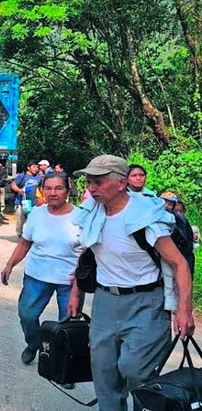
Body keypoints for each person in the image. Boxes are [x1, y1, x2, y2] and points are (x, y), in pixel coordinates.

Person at [68, 155, 194, 411]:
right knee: (103, 373)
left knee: (134, 369)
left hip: (145, 303)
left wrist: (183, 310)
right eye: (90, 182)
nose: (91, 188)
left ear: (121, 183)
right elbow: (87, 257)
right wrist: (75, 293)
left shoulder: (144, 217)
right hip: (105, 302)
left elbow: (179, 264)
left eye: (99, 182)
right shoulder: (92, 214)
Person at [0, 173, 83, 386]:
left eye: (58, 188)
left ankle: (64, 369)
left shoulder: (82, 216)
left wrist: (80, 280)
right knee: (27, 314)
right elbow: (25, 243)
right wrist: (10, 265)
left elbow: (89, 252)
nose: (53, 193)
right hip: (37, 276)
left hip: (69, 281)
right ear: (42, 190)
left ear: (67, 190)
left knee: (68, 326)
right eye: (49, 188)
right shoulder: (37, 214)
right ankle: (34, 343)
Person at [158, 191, 196, 276]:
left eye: (181, 211)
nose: (167, 207)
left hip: (181, 256)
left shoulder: (182, 222)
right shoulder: (155, 218)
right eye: (164, 203)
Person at [10, 161, 41, 237]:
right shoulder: (22, 176)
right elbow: (13, 185)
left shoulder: (38, 177)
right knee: (20, 221)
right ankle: (19, 234)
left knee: (32, 221)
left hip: (33, 204)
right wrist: (19, 190)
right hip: (21, 203)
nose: (36, 169)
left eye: (37, 167)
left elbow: (41, 188)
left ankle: (28, 237)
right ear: (28, 167)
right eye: (34, 167)